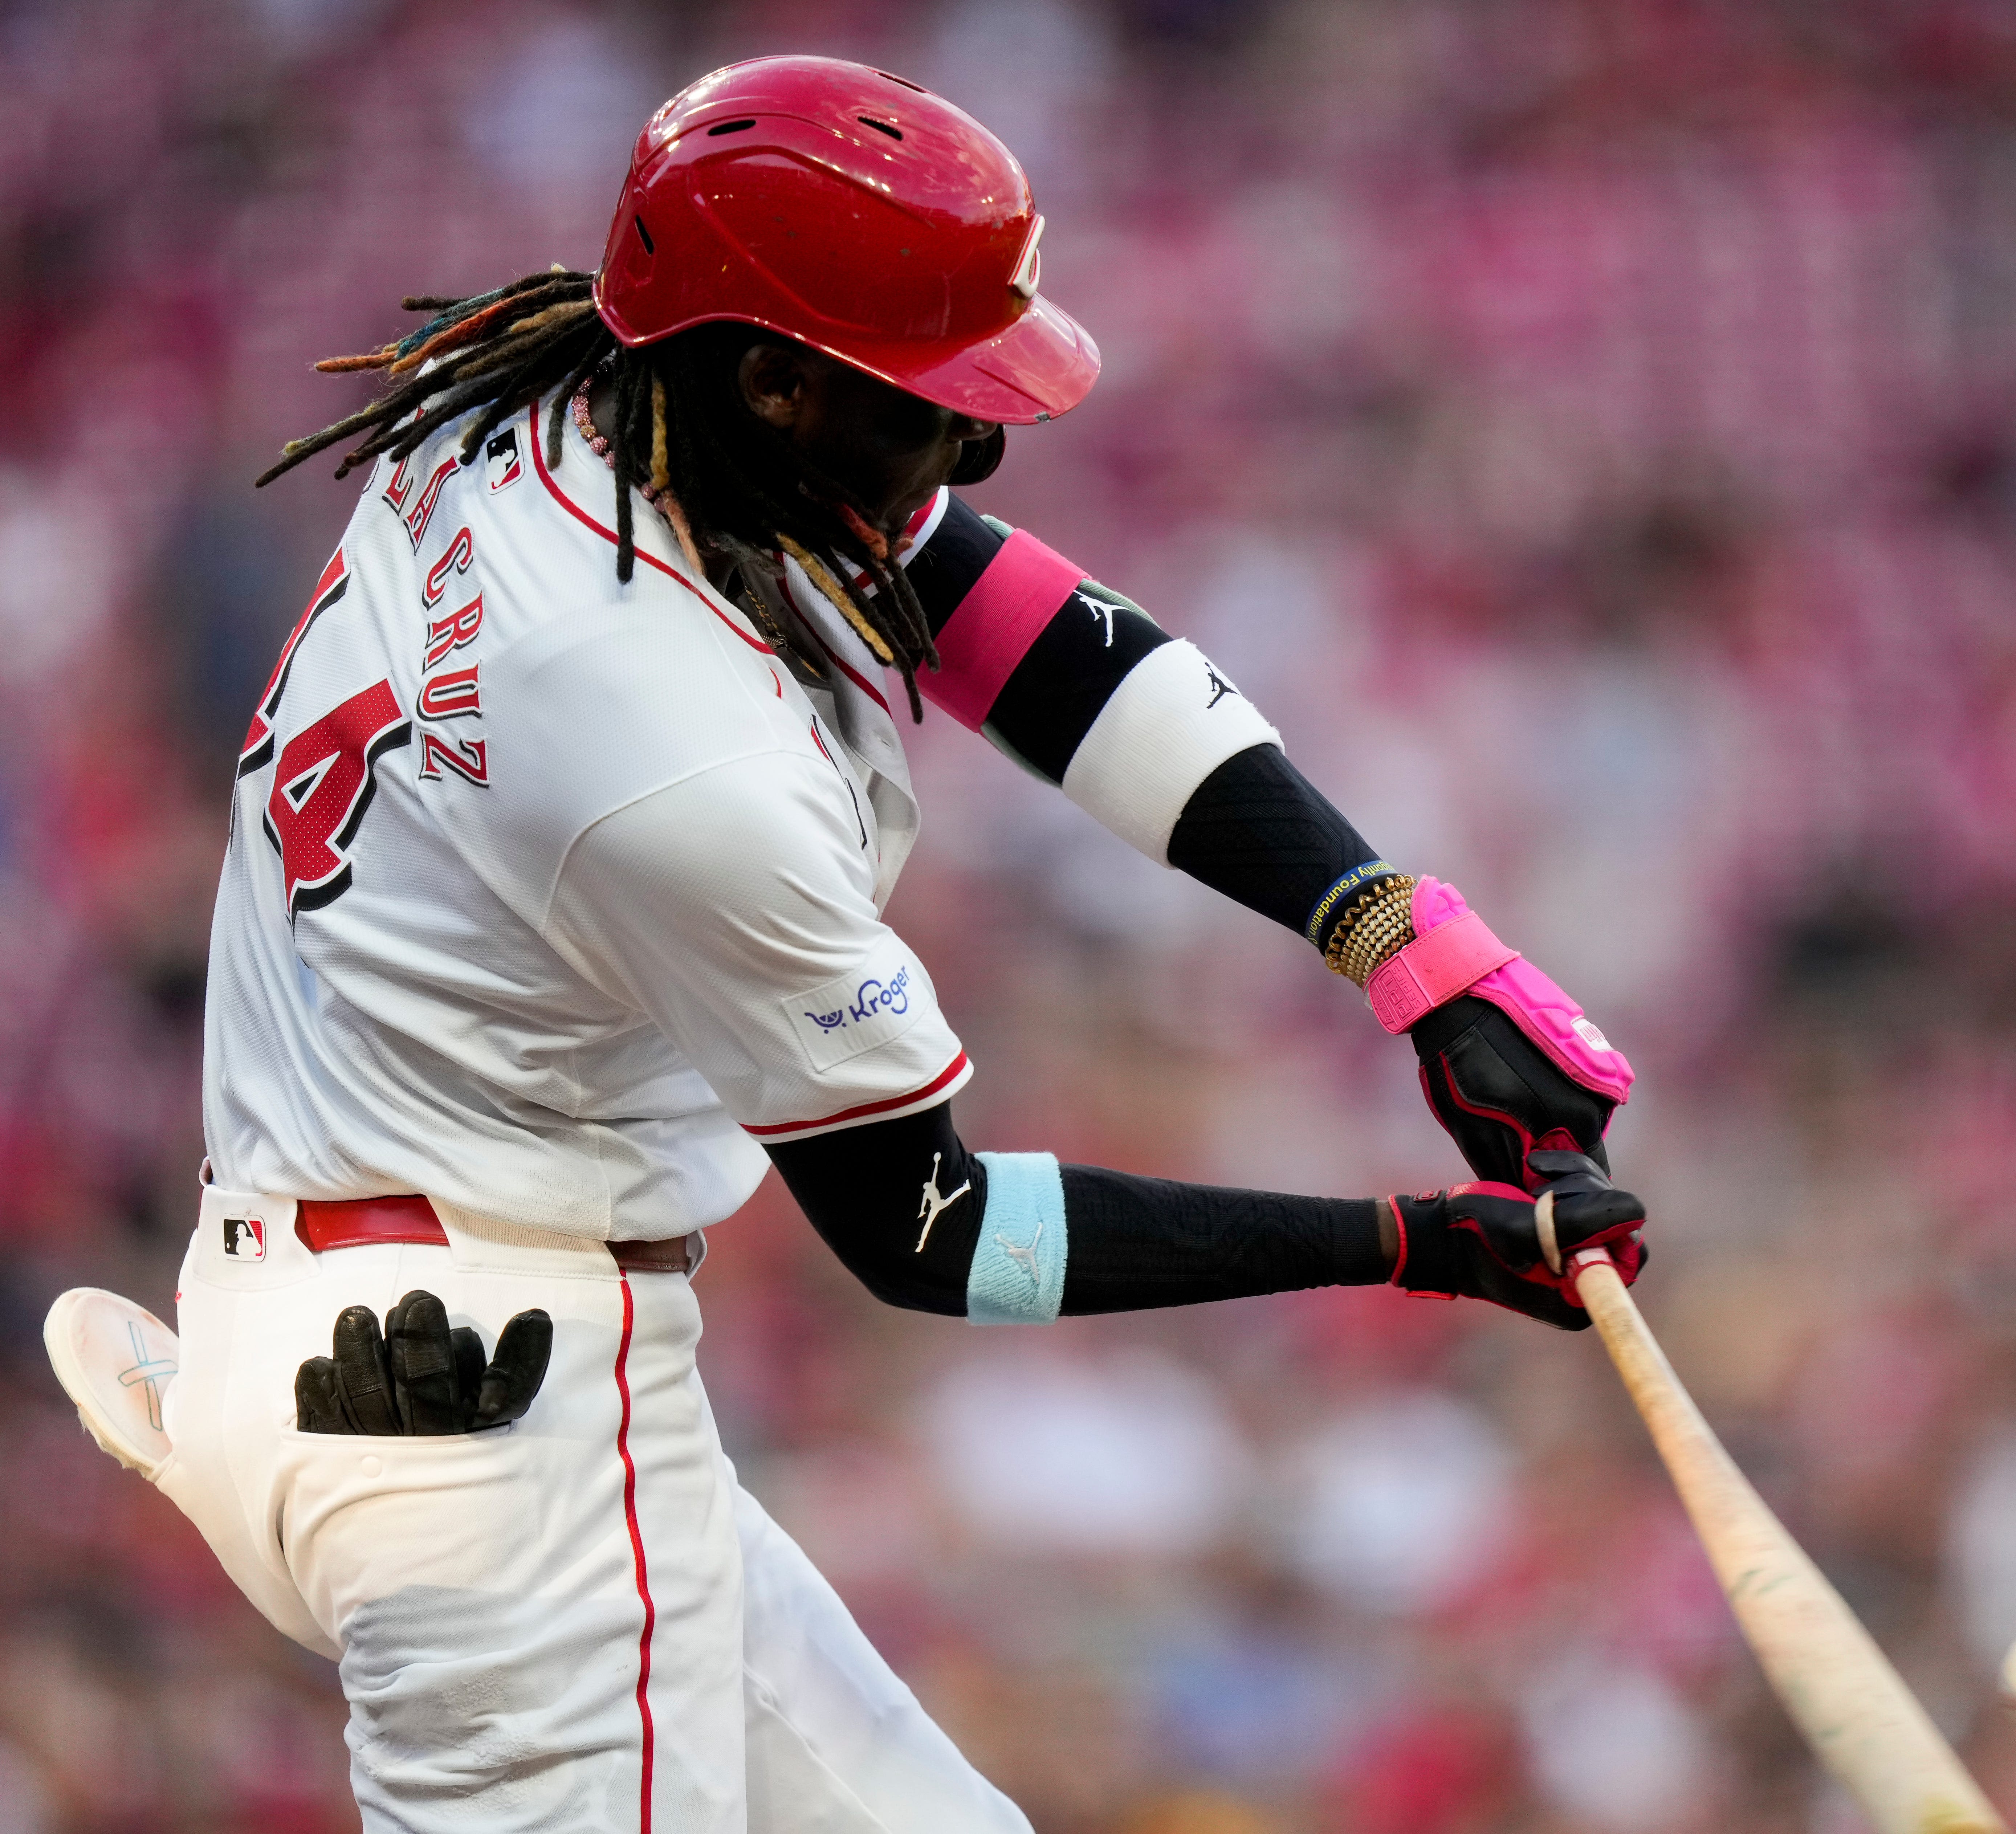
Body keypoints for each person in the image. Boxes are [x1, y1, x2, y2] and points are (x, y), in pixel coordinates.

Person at [41, 54, 1644, 1834]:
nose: (978, 441)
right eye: (927, 399)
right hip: (491, 1457)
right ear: (774, 384)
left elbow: (998, 615)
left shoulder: (567, 400)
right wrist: (1409, 1242)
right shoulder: (671, 752)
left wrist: (1398, 941)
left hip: (363, 1331)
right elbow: (932, 1234)